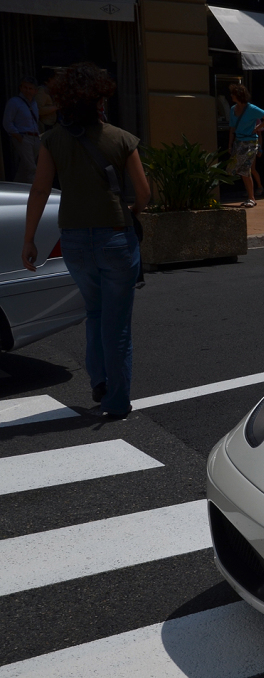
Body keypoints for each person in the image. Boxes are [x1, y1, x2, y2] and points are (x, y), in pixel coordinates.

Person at [20, 62, 149, 419]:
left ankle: (100, 380)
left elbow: (41, 189)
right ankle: (116, 400)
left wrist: (29, 239)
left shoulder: (52, 140)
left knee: (94, 312)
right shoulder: (121, 138)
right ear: (99, 100)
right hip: (116, 238)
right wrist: (134, 208)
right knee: (117, 322)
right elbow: (143, 192)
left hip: (75, 241)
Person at [227, 83, 264, 207]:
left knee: (246, 169)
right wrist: (230, 145)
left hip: (250, 143)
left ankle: (252, 198)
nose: (231, 96)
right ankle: (250, 196)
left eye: (233, 94)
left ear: (239, 95)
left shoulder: (252, 109)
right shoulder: (233, 109)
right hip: (238, 142)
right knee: (236, 170)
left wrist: (258, 127)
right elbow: (232, 128)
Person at [4, 77, 42, 183]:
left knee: (24, 168)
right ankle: (34, 193)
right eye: (25, 87)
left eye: (30, 88)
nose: (27, 90)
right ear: (20, 88)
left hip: (34, 137)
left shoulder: (34, 103)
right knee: (31, 168)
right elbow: (7, 122)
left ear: (35, 91)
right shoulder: (14, 102)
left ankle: (16, 188)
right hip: (23, 136)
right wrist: (19, 137)